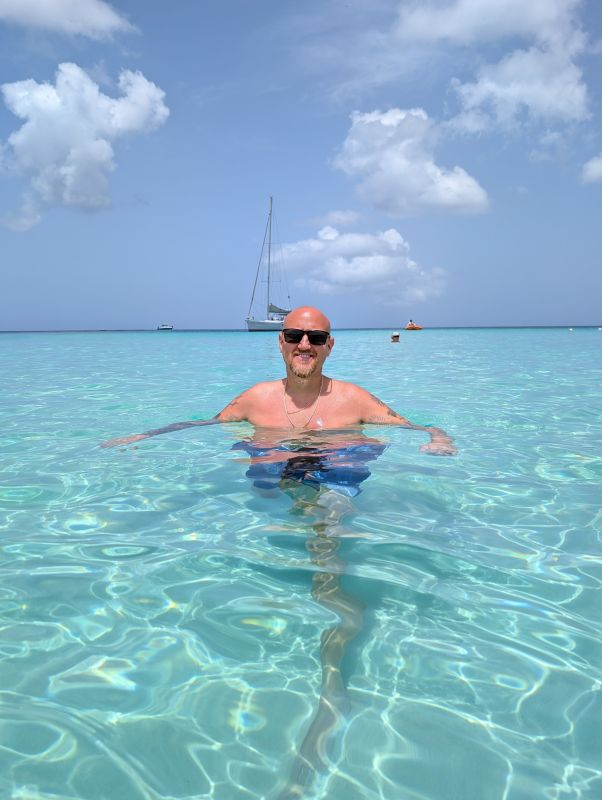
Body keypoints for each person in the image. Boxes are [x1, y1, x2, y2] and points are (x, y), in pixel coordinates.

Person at [102, 306, 456, 455]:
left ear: (329, 346)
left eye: (316, 338)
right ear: (281, 342)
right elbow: (204, 424)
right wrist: (144, 436)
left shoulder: (355, 399)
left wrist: (439, 439)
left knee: (334, 498)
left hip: (338, 477)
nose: (304, 345)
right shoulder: (254, 399)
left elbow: (419, 427)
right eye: (294, 336)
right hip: (272, 477)